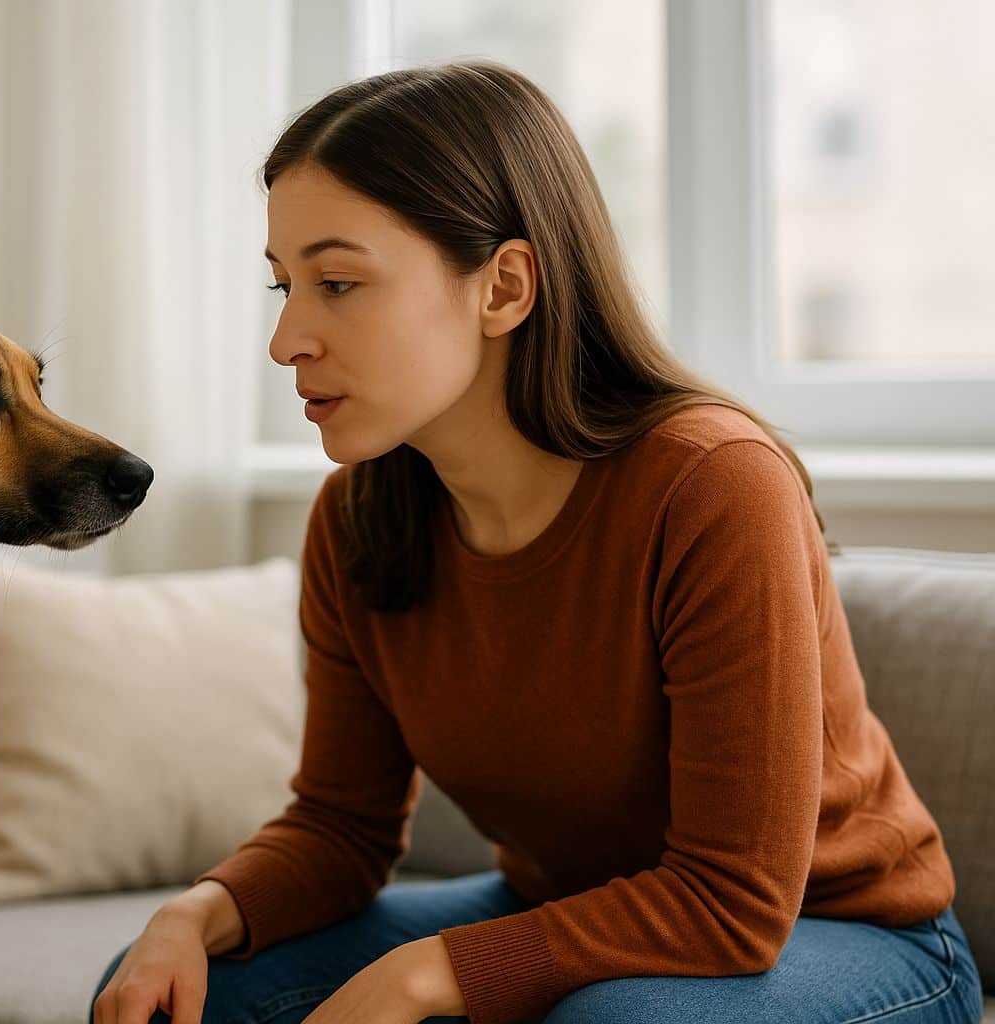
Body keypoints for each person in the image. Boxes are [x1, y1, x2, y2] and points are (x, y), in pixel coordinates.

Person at [89, 60, 984, 1024]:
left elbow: (735, 903)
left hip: (844, 935)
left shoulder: (714, 486)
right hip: (575, 911)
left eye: (339, 282)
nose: (287, 339)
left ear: (504, 287)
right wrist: (196, 912)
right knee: (166, 989)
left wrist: (428, 975)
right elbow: (343, 827)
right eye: (284, 286)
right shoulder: (356, 520)